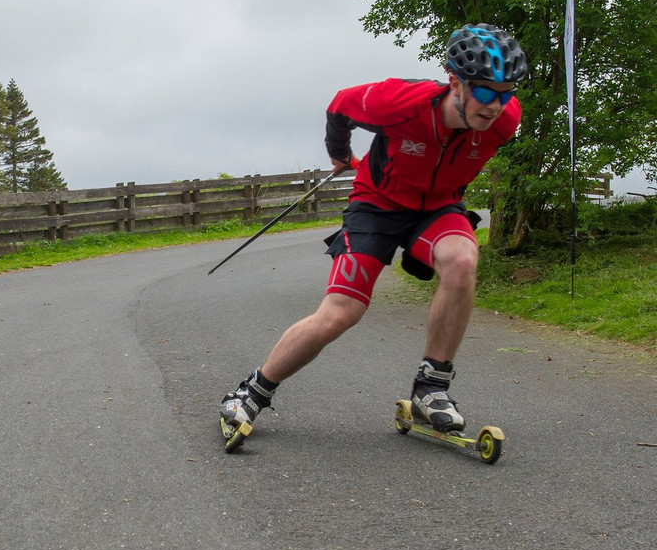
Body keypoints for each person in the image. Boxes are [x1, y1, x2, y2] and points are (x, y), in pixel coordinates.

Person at [219, 23, 527, 451]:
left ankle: (431, 387)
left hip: (437, 209)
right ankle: (252, 392)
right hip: (377, 205)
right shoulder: (400, 101)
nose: (497, 105)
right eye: (487, 92)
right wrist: (340, 153)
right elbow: (340, 105)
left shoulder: (505, 120)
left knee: (462, 260)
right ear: (455, 82)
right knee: (341, 312)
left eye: (506, 93)